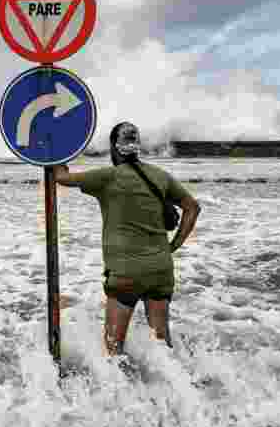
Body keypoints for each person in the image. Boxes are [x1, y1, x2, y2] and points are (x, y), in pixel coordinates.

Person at [53, 122, 201, 356]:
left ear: (113, 147)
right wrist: (173, 246)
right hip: (160, 269)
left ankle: (123, 390)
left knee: (114, 346)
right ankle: (174, 388)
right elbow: (192, 207)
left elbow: (61, 176)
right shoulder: (160, 176)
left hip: (126, 272)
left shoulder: (107, 177)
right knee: (162, 345)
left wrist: (54, 146)